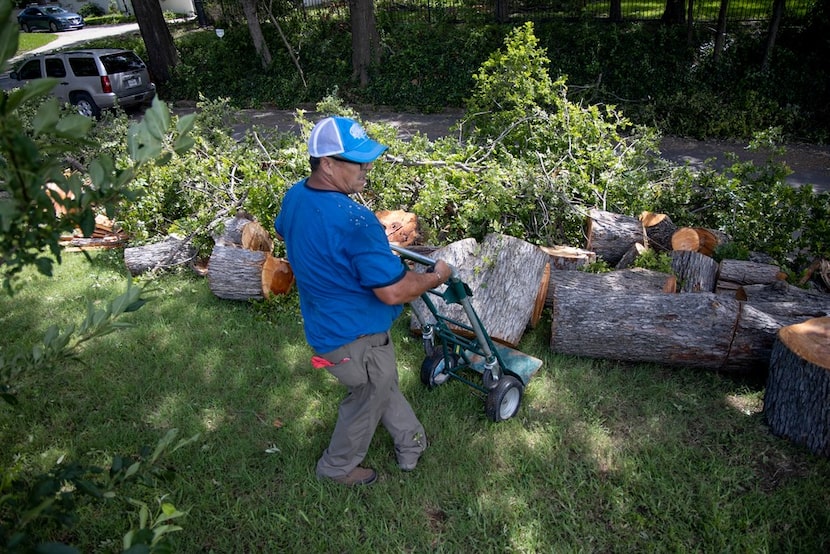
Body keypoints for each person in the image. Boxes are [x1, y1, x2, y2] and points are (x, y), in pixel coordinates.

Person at [274, 116, 451, 486]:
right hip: (357, 337)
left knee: (381, 385)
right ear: (327, 164)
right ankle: (336, 467)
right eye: (357, 160)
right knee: (368, 394)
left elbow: (291, 232)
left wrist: (353, 256)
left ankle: (411, 442)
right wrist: (437, 276)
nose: (366, 167)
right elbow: (394, 290)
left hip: (324, 327)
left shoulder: (296, 197)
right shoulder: (355, 220)